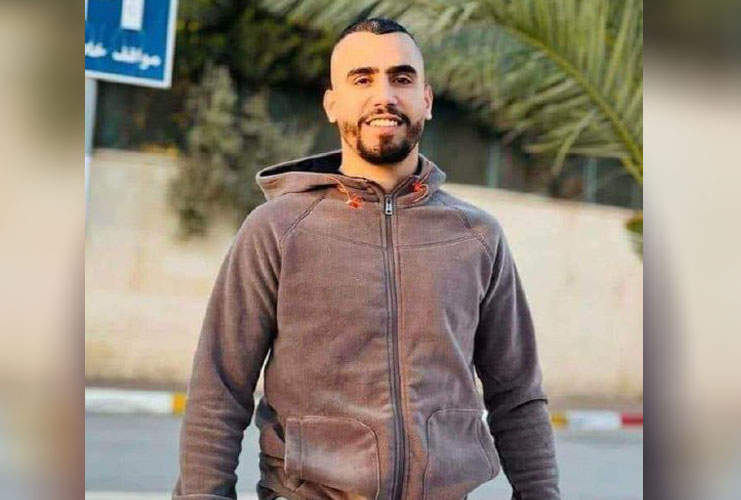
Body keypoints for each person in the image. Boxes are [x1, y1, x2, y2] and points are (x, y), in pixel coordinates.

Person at [173, 18, 560, 500]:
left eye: (402, 78)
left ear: (426, 100)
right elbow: (218, 390)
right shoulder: (277, 229)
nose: (384, 96)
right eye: (362, 79)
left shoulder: (477, 238)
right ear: (332, 104)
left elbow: (517, 394)